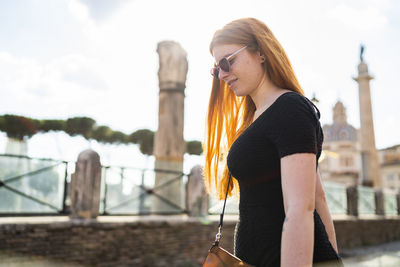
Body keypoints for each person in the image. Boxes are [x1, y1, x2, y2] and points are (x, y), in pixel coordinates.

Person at [202, 18, 344, 267]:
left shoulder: (290, 108)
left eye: (228, 61)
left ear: (260, 53)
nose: (222, 74)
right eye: (217, 69)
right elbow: (318, 197)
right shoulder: (255, 118)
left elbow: (301, 208)